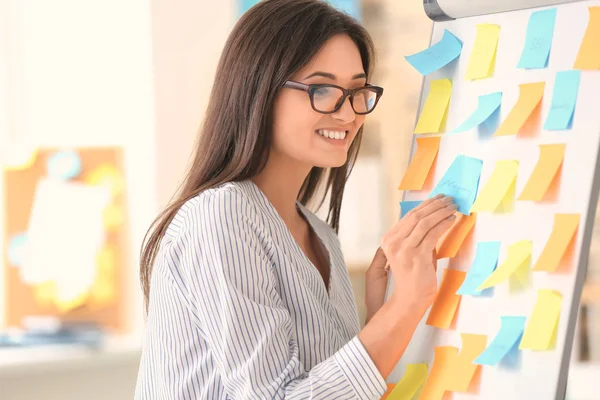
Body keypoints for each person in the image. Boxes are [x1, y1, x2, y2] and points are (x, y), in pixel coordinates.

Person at [134, 0, 457, 398]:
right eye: (322, 89)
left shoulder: (320, 235)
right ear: (259, 89)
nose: (348, 113)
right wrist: (404, 305)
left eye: (357, 90)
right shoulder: (221, 215)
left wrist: (379, 315)